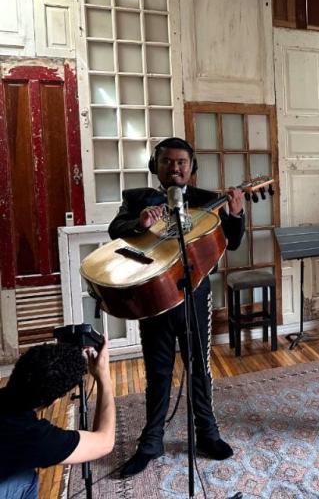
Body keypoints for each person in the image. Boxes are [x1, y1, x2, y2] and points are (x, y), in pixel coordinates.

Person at [109, 137, 245, 477]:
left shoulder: (206, 201)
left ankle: (207, 434)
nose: (175, 167)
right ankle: (151, 442)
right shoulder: (136, 199)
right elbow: (116, 230)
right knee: (158, 372)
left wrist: (237, 213)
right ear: (157, 166)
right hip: (153, 298)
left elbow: (233, 240)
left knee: (200, 368)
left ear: (192, 167)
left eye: (182, 162)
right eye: (168, 162)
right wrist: (138, 224)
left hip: (195, 294)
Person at [0, 339, 114, 499]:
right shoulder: (32, 436)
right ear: (55, 401)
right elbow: (105, 442)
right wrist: (104, 377)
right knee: (26, 480)